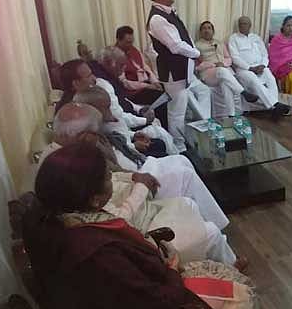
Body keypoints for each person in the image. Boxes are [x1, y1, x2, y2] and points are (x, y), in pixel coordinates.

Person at [29, 143, 284, 309]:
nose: (113, 180)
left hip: (131, 298)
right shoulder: (96, 255)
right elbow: (158, 305)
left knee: (220, 270)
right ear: (95, 199)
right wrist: (172, 270)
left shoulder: (61, 222)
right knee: (240, 291)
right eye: (108, 177)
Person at [45, 99, 230, 231]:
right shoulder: (66, 164)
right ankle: (215, 229)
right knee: (184, 174)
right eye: (95, 133)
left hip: (127, 185)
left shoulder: (69, 152)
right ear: (82, 136)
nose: (98, 136)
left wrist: (132, 176)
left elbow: (111, 173)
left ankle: (215, 226)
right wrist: (140, 184)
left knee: (182, 162)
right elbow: (108, 208)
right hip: (126, 204)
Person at [145, 0, 194, 153]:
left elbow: (183, 37)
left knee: (181, 107)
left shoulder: (168, 12)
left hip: (181, 68)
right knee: (177, 111)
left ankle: (182, 142)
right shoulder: (157, 19)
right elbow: (175, 45)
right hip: (173, 71)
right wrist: (197, 54)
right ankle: (179, 148)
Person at [228, 16, 291, 119]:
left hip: (260, 66)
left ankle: (275, 109)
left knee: (270, 78)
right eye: (241, 24)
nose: (242, 26)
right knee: (254, 80)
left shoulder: (256, 38)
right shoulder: (233, 38)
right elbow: (235, 58)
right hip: (244, 70)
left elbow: (265, 54)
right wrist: (250, 68)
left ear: (250, 25)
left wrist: (263, 65)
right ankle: (275, 105)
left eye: (245, 24)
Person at [195, 21, 258, 118]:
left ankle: (231, 115)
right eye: (204, 28)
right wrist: (214, 64)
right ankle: (243, 92)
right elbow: (197, 66)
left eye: (209, 28)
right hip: (208, 74)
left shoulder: (219, 43)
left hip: (223, 73)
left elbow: (229, 58)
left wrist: (223, 63)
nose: (206, 30)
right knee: (222, 71)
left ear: (213, 31)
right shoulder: (197, 46)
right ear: (200, 32)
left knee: (225, 83)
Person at [114, 25, 168, 129]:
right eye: (127, 42)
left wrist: (155, 82)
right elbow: (125, 83)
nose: (130, 45)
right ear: (118, 40)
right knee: (160, 97)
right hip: (133, 92)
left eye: (132, 41)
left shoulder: (134, 50)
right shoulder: (115, 56)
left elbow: (145, 67)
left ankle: (167, 124)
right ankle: (164, 127)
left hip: (146, 84)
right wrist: (147, 86)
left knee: (168, 89)